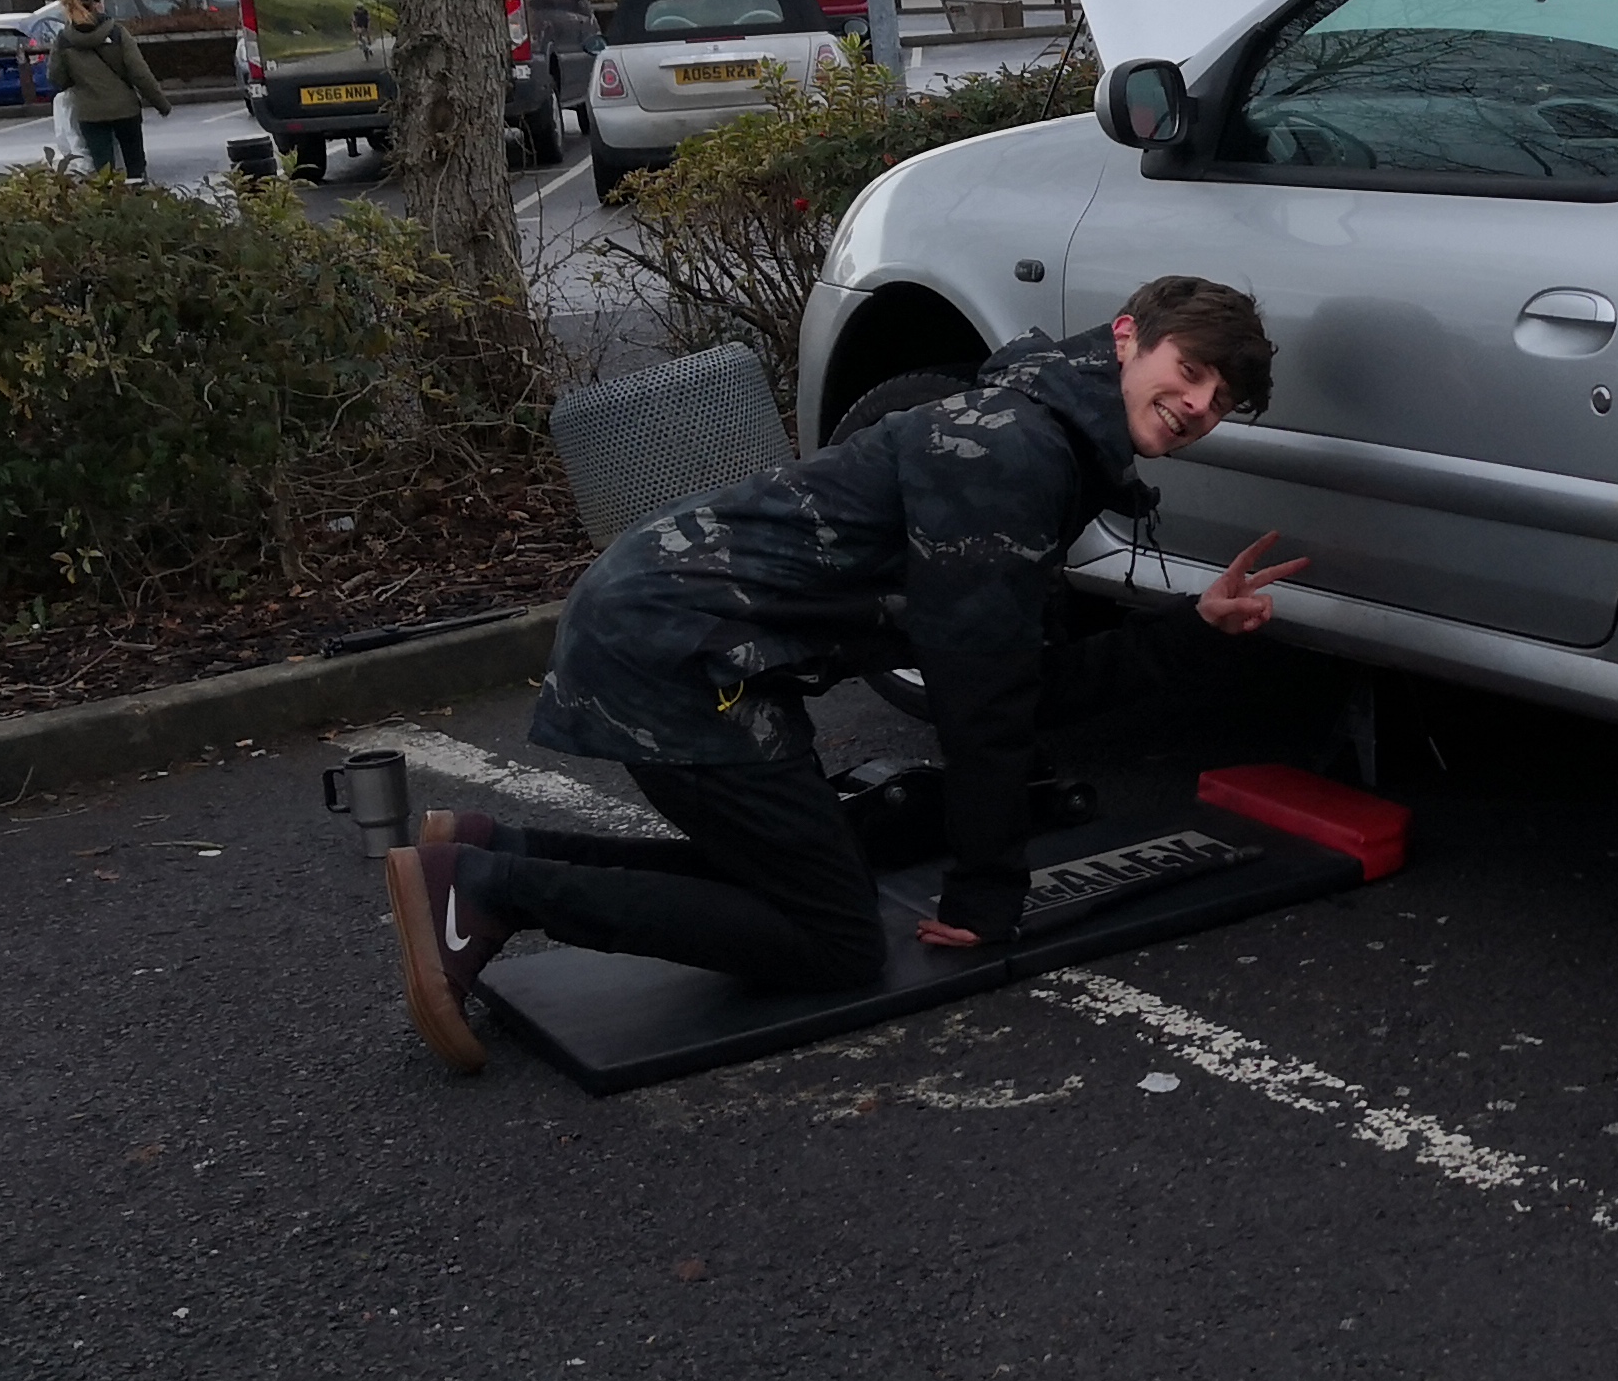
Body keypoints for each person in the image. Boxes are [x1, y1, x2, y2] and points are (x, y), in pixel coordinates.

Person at [379, 276, 1306, 1072]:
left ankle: (503, 848)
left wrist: (1194, 628)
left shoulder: (1039, 434)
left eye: (1221, 400)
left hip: (686, 629)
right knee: (833, 937)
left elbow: (1021, 677)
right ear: (1128, 337)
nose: (1198, 405)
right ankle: (487, 891)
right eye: (1191, 371)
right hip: (676, 650)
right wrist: (987, 893)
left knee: (792, 869)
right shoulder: (1014, 453)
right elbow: (983, 702)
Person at [44, 0, 172, 178]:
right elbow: (139, 73)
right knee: (135, 164)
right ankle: (137, 190)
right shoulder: (116, 32)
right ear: (97, 5)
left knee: (104, 169)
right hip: (125, 109)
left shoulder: (64, 39)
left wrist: (79, 84)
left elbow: (56, 76)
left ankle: (109, 195)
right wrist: (161, 104)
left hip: (90, 113)